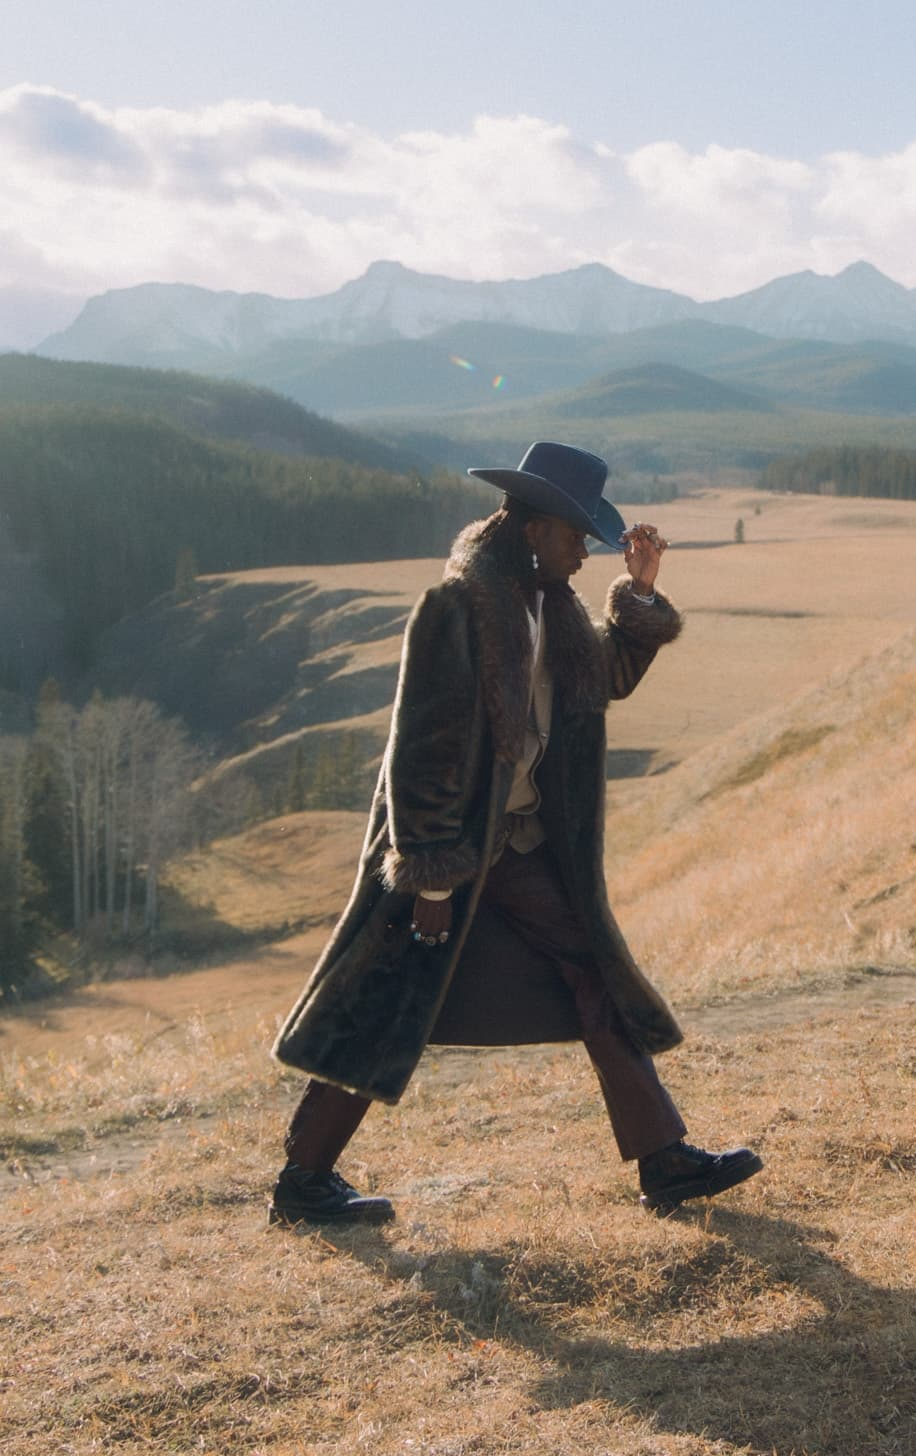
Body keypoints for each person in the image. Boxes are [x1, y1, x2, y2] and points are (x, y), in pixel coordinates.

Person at [270, 441, 761, 1226]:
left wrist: (638, 593)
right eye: (575, 536)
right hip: (445, 851)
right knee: (384, 998)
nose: (585, 552)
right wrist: (432, 876)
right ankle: (303, 1181)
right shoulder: (456, 608)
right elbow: (420, 749)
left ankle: (664, 1160)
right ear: (533, 530)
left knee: (593, 973)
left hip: (520, 849)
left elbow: (603, 680)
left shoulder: (550, 605)